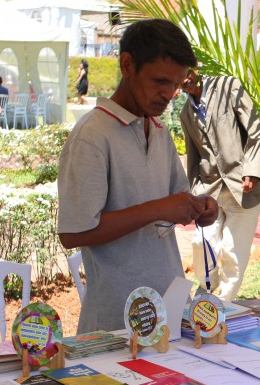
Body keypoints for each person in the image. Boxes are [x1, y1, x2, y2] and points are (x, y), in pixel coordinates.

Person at [56, 19, 218, 333]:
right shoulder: (92, 136)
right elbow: (73, 233)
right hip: (115, 323)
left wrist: (200, 209)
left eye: (176, 84)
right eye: (159, 81)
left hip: (167, 312)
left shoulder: (158, 131)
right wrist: (158, 209)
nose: (169, 94)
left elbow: (175, 202)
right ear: (127, 65)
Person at [179, 69, 260, 302]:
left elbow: (255, 130)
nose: (184, 78)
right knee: (201, 243)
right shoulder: (186, 113)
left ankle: (222, 306)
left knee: (233, 255)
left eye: (187, 71)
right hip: (209, 193)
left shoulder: (229, 87)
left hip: (243, 189)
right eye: (178, 75)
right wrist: (193, 192)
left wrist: (252, 171)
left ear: (195, 66)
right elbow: (193, 156)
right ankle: (207, 290)